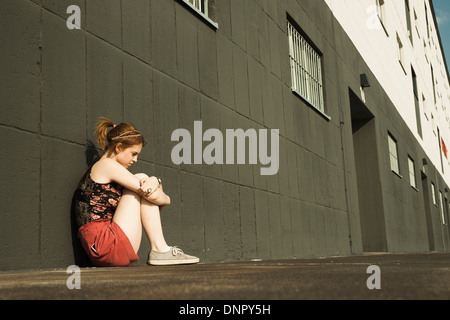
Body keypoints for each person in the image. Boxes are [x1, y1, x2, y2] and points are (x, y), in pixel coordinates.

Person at [72, 117, 199, 267]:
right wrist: (155, 182)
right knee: (142, 178)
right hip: (104, 245)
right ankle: (160, 249)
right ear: (118, 147)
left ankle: (160, 249)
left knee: (143, 181)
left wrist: (155, 183)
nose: (135, 160)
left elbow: (156, 199)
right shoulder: (106, 165)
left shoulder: (110, 170)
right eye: (133, 153)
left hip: (105, 246)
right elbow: (154, 196)